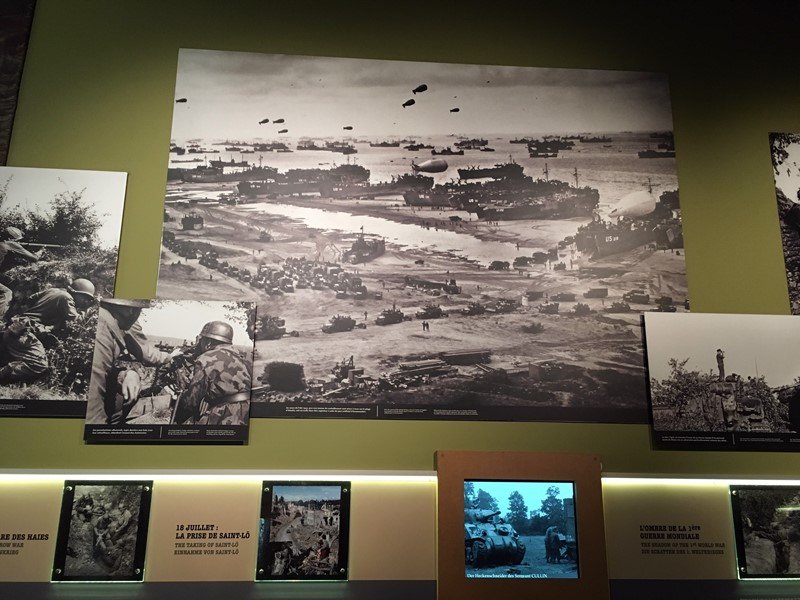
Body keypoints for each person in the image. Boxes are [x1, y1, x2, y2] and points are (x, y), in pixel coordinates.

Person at [85, 298, 178, 425]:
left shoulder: (101, 316)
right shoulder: (105, 328)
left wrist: (128, 374)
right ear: (130, 310)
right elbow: (95, 387)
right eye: (139, 310)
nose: (137, 315)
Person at [0, 279, 97, 384]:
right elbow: (76, 321)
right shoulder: (66, 298)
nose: (85, 301)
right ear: (76, 293)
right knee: (39, 364)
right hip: (24, 333)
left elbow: (31, 298)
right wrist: (88, 311)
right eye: (85, 298)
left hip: (17, 329)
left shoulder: (54, 290)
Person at [172, 320, 252, 426]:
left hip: (225, 415)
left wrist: (177, 409)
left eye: (202, 340)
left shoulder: (206, 358)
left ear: (208, 342)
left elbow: (192, 401)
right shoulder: (243, 357)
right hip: (248, 412)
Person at [0, 226, 43, 319]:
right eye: (17, 240)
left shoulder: (3, 244)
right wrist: (40, 252)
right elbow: (34, 258)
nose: (18, 242)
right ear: (11, 238)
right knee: (6, 293)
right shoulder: (11, 244)